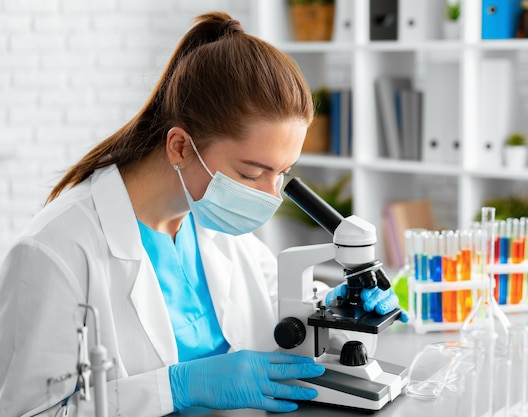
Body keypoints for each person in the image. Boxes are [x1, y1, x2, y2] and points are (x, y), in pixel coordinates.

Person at [0, 11, 406, 417]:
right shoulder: (54, 252)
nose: (271, 195)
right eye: (251, 172)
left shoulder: (215, 220)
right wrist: (175, 388)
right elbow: (31, 413)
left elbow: (278, 325)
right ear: (179, 146)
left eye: (283, 173)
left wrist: (331, 318)